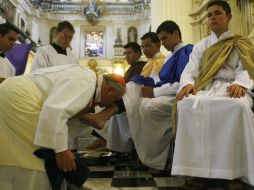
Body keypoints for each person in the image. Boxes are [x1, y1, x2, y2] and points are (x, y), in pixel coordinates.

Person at [0, 64, 125, 189]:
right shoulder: (87, 81)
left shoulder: (87, 81)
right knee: (40, 155)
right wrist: (61, 151)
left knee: (15, 152)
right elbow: (55, 110)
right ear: (110, 90)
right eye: (114, 99)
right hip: (21, 98)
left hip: (12, 94)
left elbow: (64, 115)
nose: (108, 105)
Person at [172, 1, 254, 189]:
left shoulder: (240, 42)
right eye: (209, 15)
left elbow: (247, 68)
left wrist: (240, 83)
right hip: (206, 88)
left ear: (229, 16)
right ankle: (198, 172)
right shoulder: (201, 46)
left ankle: (235, 173)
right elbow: (190, 70)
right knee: (186, 106)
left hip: (231, 87)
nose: (212, 18)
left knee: (239, 107)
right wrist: (188, 85)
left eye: (217, 13)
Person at [86, 42, 147, 150]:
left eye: (130, 53)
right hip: (125, 97)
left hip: (134, 99)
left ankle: (105, 139)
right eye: (125, 53)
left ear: (138, 53)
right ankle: (104, 139)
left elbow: (132, 86)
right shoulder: (132, 67)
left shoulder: (141, 66)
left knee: (110, 108)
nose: (127, 56)